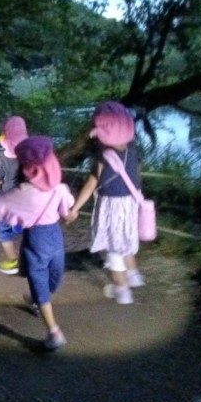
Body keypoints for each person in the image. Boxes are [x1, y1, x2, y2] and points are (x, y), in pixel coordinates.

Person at [0, 136, 74, 350]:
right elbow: (66, 210)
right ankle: (53, 330)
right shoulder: (59, 188)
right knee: (50, 278)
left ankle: (39, 301)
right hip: (53, 238)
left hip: (37, 240)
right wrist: (69, 214)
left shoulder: (23, 192)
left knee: (42, 281)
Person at [65, 101, 146, 305]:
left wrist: (74, 209)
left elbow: (92, 183)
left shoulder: (104, 155)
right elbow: (137, 177)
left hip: (112, 206)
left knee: (113, 247)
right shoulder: (133, 149)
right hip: (131, 202)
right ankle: (134, 275)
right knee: (126, 238)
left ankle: (122, 290)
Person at [0, 115, 28, 275]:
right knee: (28, 230)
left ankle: (13, 261)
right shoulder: (28, 155)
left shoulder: (0, 157)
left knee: (4, 231)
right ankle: (31, 260)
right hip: (28, 201)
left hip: (9, 203)